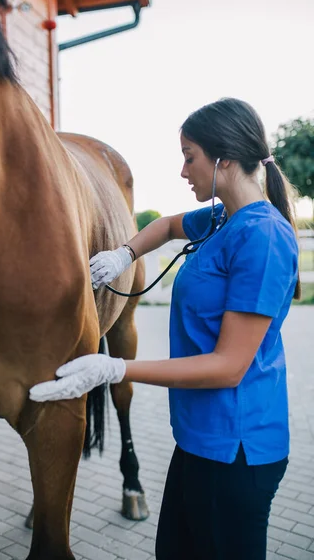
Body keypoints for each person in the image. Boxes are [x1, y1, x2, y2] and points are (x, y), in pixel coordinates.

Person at [30, 97, 300, 560]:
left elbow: (228, 366)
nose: (182, 171)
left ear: (224, 158)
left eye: (189, 157)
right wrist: (124, 254)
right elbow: (169, 225)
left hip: (236, 452)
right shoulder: (222, 219)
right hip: (198, 441)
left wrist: (117, 368)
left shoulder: (263, 237)